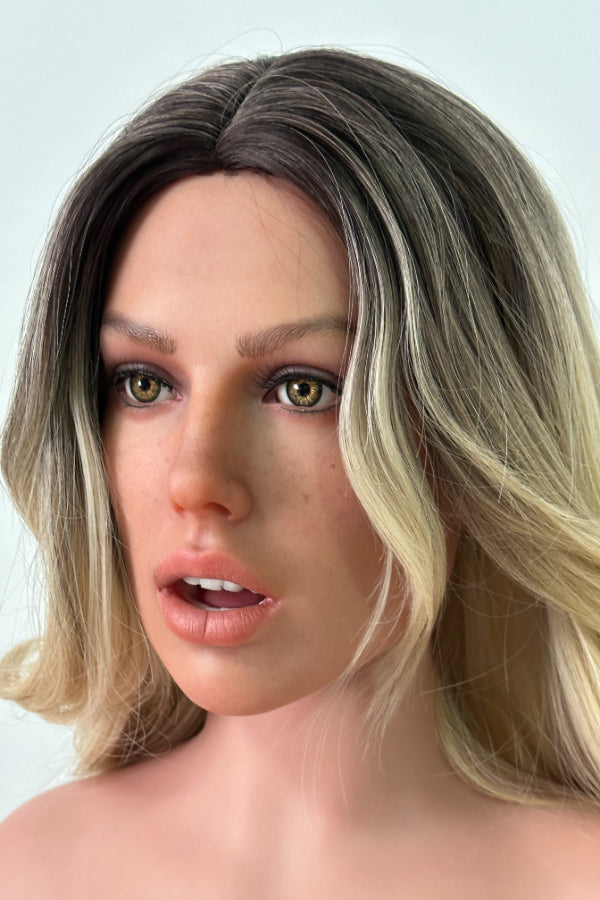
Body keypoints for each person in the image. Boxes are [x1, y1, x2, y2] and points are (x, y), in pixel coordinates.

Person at [1, 47, 600, 897]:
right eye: (145, 384)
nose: (197, 483)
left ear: (476, 434)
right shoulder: (31, 869)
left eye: (301, 389)